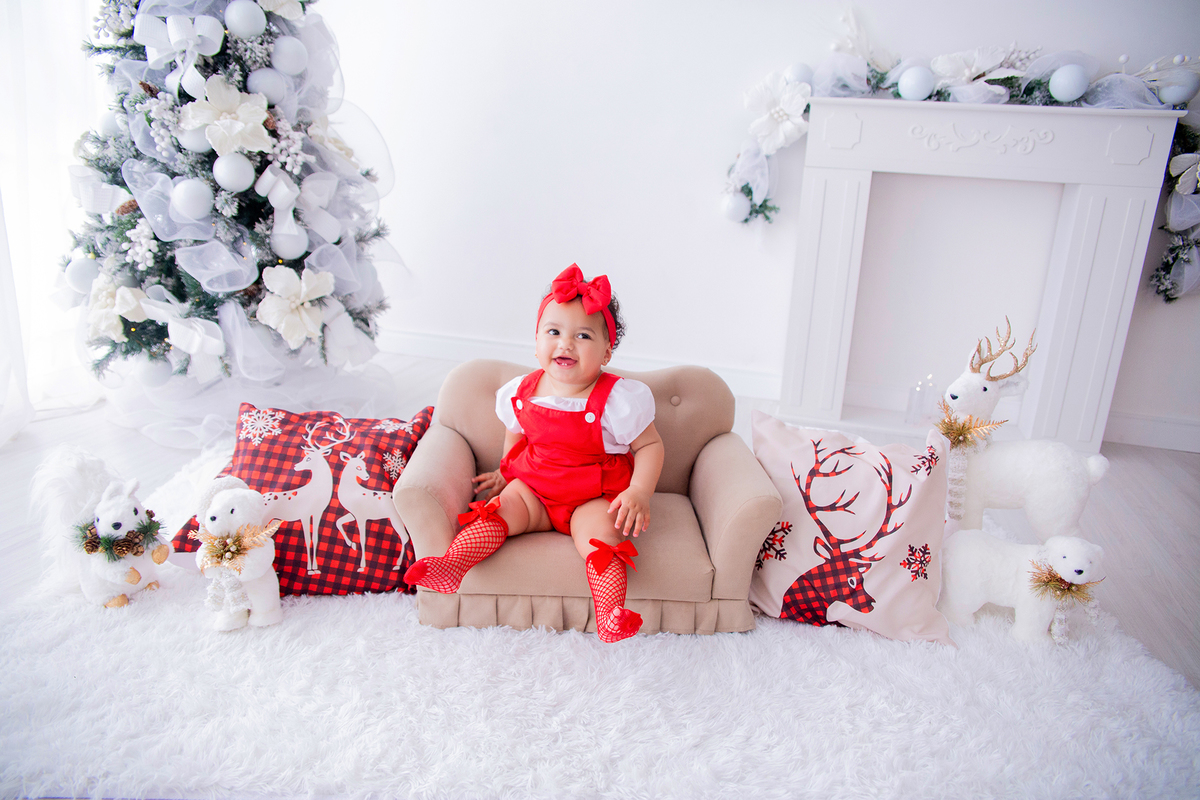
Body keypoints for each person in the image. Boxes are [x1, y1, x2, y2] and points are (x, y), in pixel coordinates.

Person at [404, 264, 664, 643]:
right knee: (500, 509)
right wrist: (507, 473)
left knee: (602, 536)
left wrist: (639, 491)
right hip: (536, 491)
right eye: (554, 332)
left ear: (607, 351)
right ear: (537, 339)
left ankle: (610, 613)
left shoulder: (618, 399)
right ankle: (452, 564)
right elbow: (517, 430)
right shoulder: (522, 390)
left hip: (592, 496)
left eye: (583, 335)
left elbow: (650, 446)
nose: (566, 343)